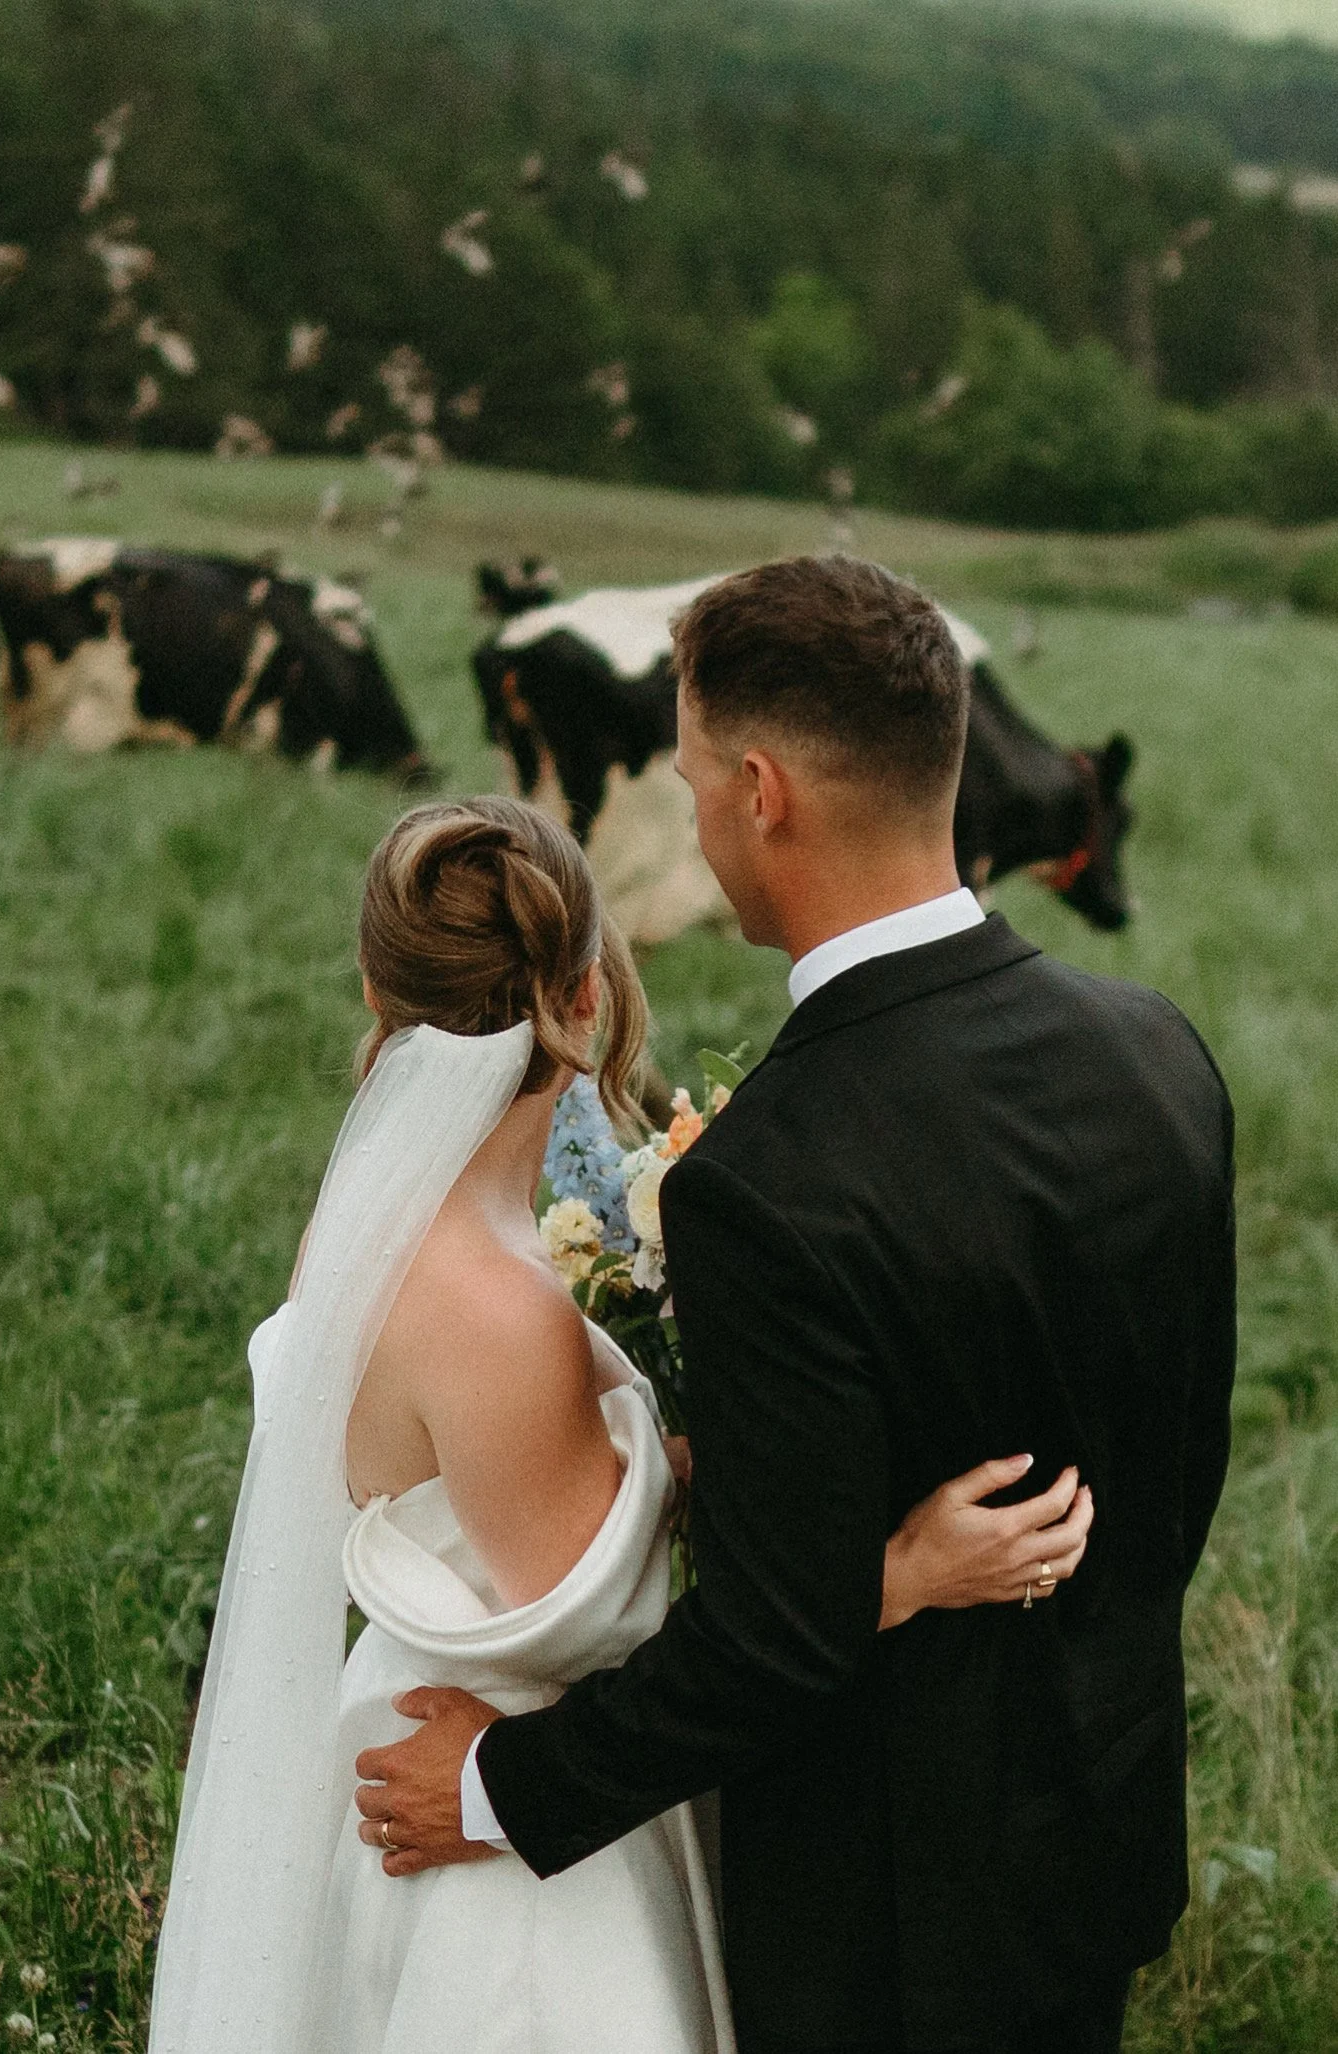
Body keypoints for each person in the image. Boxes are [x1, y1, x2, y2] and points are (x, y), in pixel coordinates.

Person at [354, 559, 1237, 2054]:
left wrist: (502, 1787)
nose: (691, 815)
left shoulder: (767, 1179)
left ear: (759, 790)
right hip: (1098, 1834)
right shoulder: (1155, 1051)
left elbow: (769, 1637)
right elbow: (1174, 1472)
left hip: (879, 1912)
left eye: (695, 777)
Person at [151, 773, 1100, 2054]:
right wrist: (900, 1570)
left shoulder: (377, 1230)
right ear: (588, 992)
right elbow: (619, 1616)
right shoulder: (496, 1309)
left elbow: (523, 1510)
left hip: (418, 1726)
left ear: (378, 993)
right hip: (519, 1844)